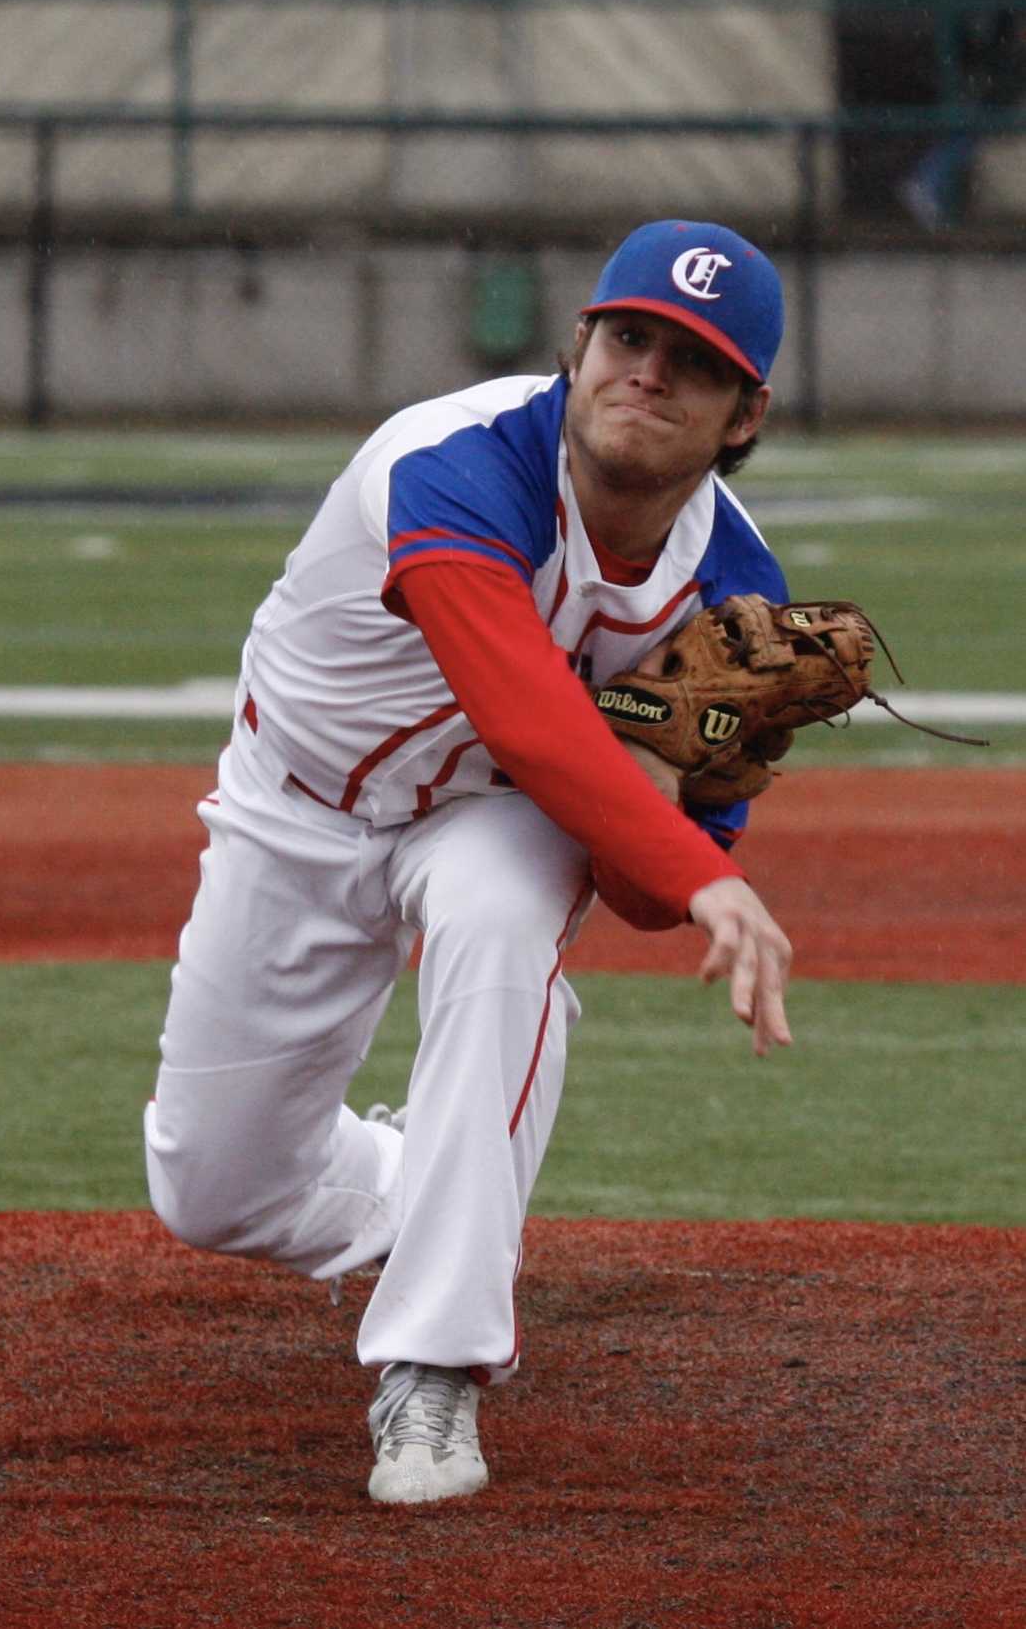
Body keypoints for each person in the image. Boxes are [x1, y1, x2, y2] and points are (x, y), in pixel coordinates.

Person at [142, 219, 796, 1507]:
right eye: (629, 336)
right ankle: (435, 1178)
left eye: (695, 361)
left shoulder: (736, 593)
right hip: (297, 805)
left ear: (745, 413)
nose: (648, 372)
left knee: (502, 920)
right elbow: (523, 708)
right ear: (579, 345)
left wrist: (700, 802)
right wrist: (701, 866)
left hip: (493, 815)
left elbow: (639, 895)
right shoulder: (453, 456)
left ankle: (432, 1371)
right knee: (211, 1193)